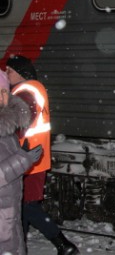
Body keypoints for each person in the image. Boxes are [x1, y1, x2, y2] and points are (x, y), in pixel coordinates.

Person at [6, 55, 79, 255]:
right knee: (23, 207)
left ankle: (63, 245)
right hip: (33, 158)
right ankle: (20, 246)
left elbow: (17, 125)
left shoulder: (25, 92)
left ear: (21, 73)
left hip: (27, 160)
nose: (6, 74)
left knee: (26, 206)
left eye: (10, 71)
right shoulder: (33, 89)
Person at [0, 69, 42, 255]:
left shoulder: (7, 128)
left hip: (8, 220)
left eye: (4, 91)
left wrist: (23, 157)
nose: (2, 97)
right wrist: (22, 159)